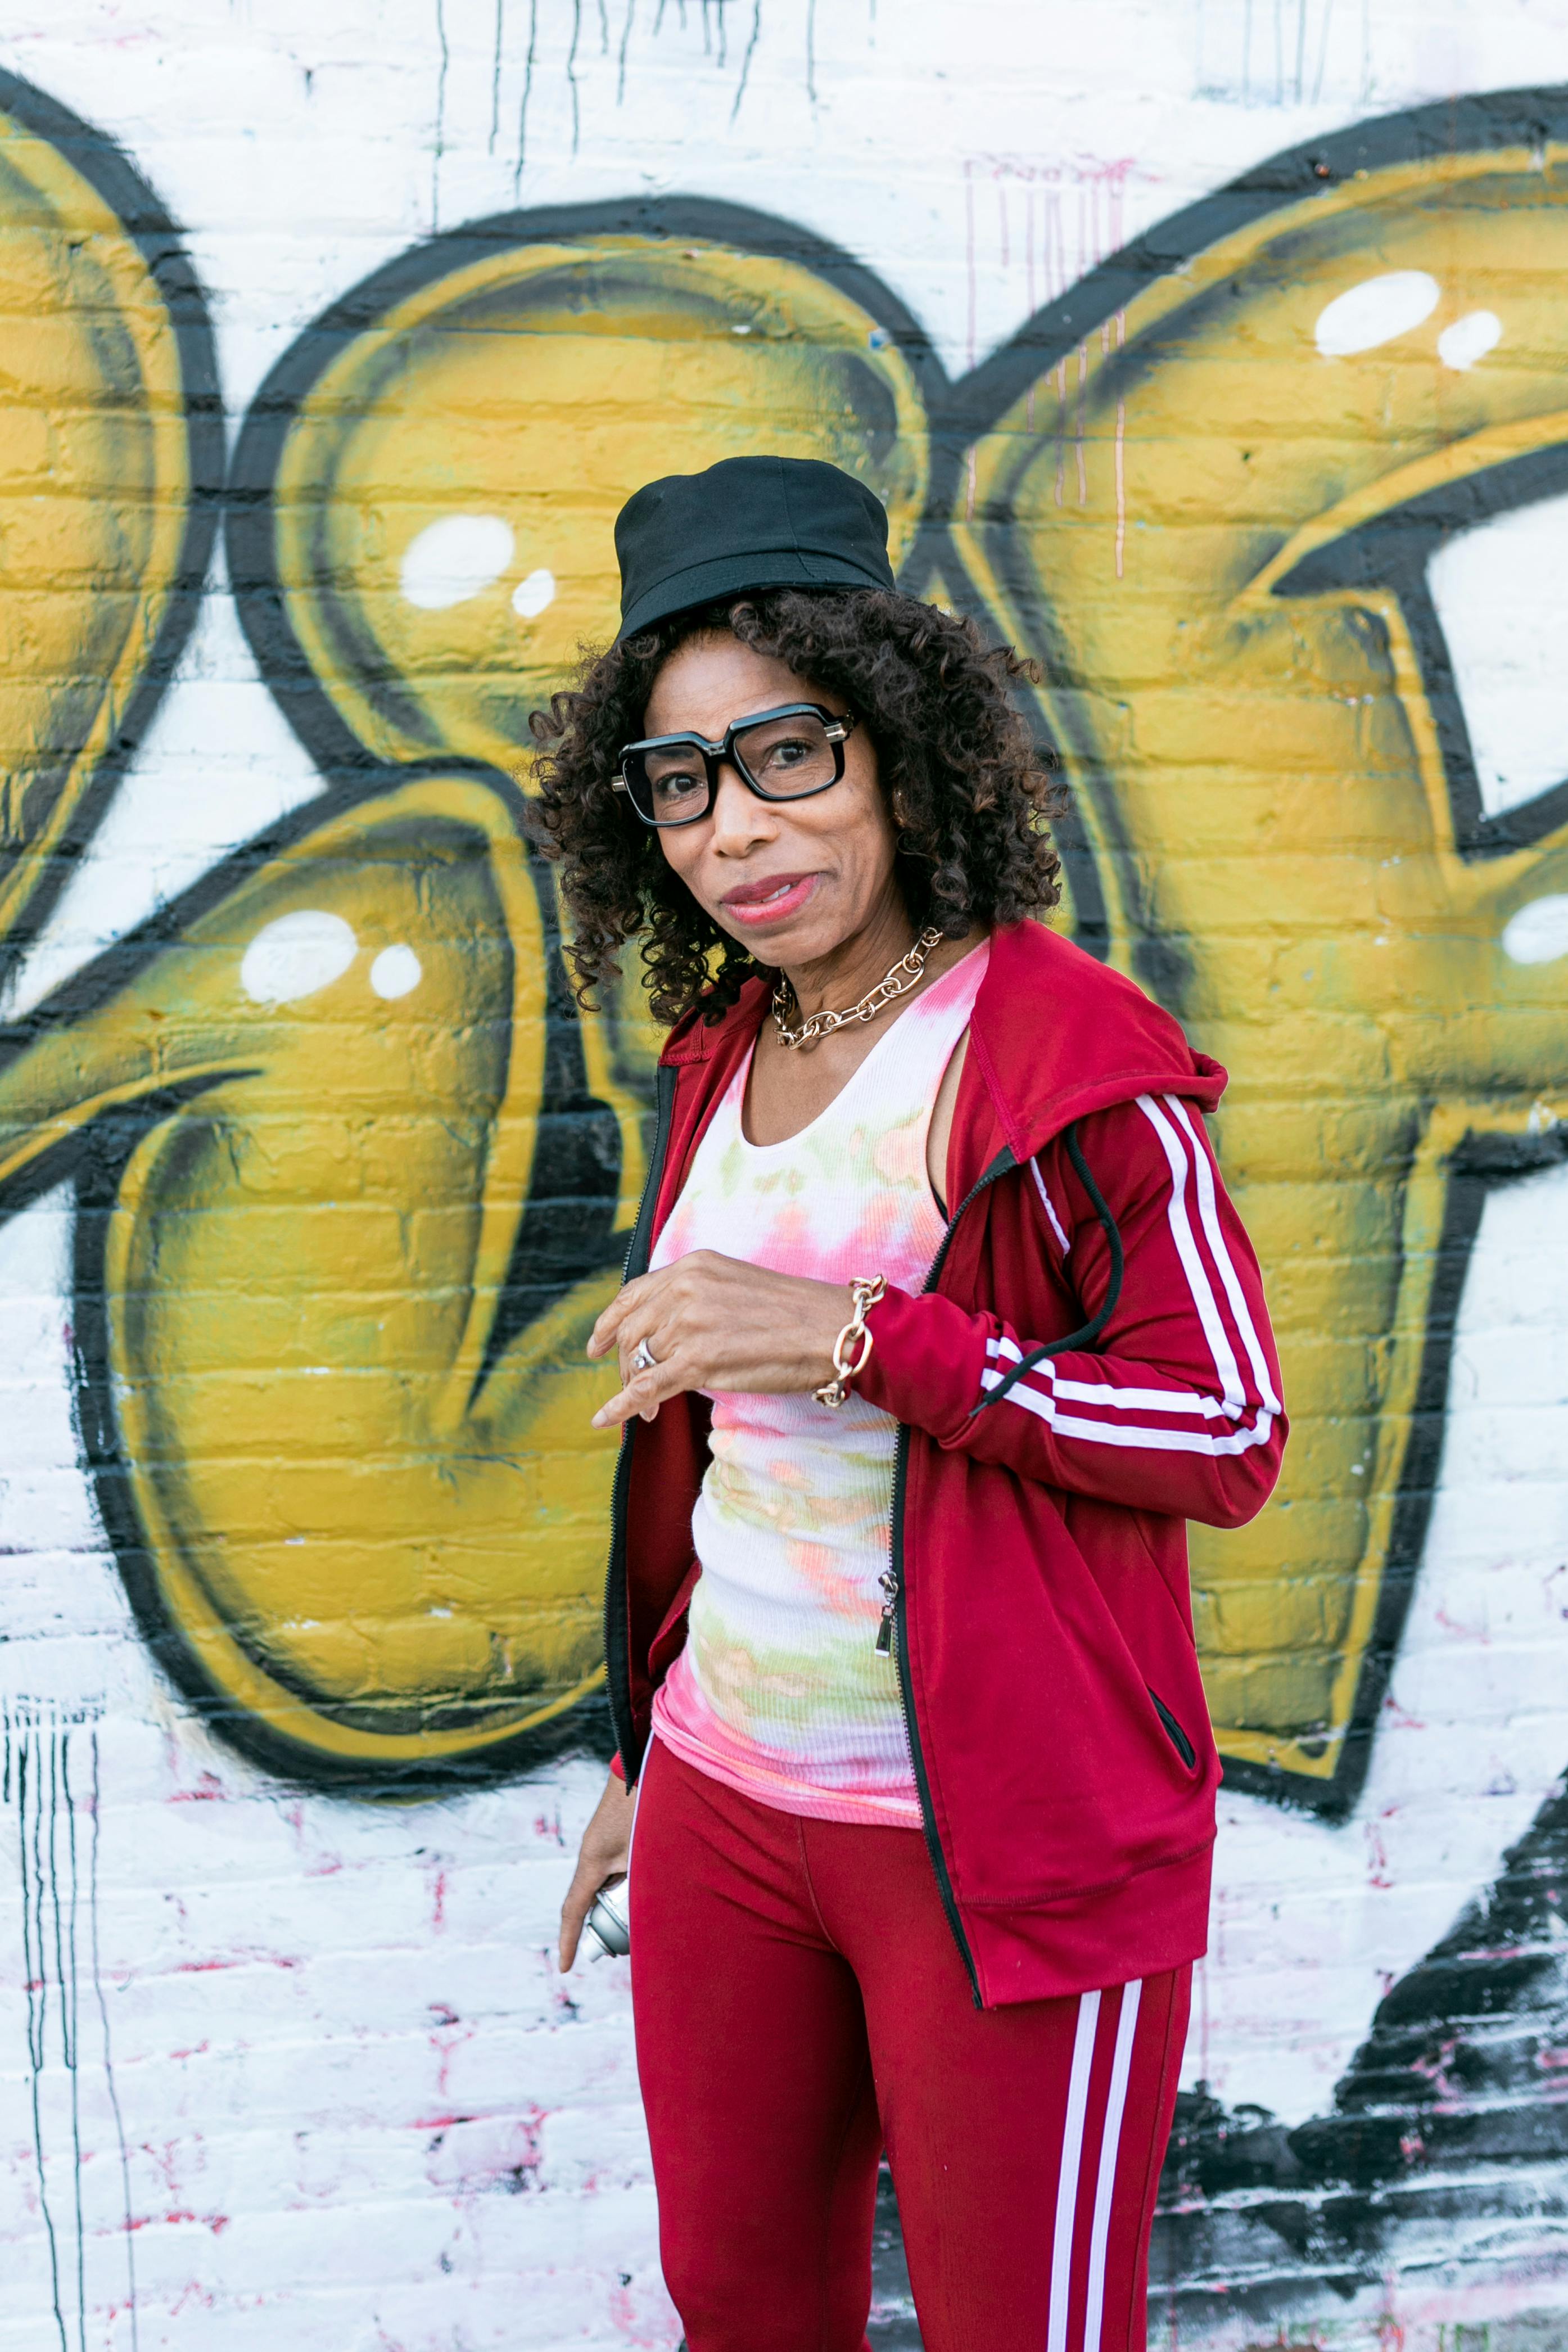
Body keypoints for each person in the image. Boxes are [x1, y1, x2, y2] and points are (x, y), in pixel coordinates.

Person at [531, 455, 1285, 2352]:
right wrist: (646, 1753)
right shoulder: (730, 1048)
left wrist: (871, 1337)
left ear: (898, 749)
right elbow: (733, 1456)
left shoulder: (1066, 1056)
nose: (733, 827)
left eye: (786, 754)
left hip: (1000, 1851)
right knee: (746, 2315)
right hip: (723, 1805)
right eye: (679, 782)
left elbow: (1226, 1431)